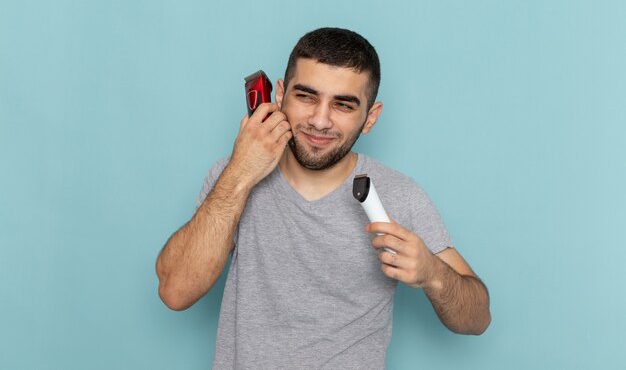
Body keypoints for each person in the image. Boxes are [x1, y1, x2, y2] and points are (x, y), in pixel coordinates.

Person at [156, 27, 491, 369]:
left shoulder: (398, 195)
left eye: (343, 105)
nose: (320, 120)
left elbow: (477, 319)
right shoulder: (232, 176)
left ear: (370, 118)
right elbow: (175, 291)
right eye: (306, 96)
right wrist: (241, 172)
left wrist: (433, 273)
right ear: (281, 94)